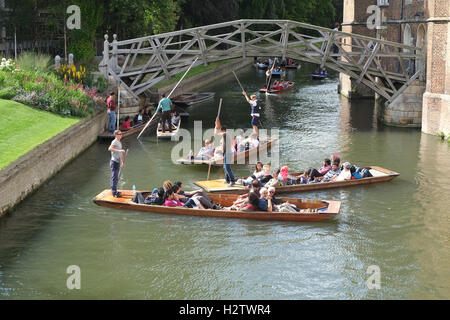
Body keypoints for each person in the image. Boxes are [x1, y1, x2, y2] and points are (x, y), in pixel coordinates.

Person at [215, 117, 235, 187]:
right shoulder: (224, 136)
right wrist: (217, 122)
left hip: (228, 153)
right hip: (225, 153)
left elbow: (217, 132)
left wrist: (217, 123)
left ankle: (232, 181)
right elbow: (217, 131)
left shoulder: (226, 134)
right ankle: (227, 180)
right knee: (225, 167)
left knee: (227, 167)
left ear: (223, 130)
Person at [108, 130, 125, 198]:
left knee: (116, 177)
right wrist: (119, 150)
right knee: (114, 178)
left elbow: (120, 154)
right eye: (119, 134)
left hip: (117, 162)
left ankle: (115, 190)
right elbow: (110, 148)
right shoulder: (114, 141)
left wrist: (123, 162)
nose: (121, 135)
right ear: (116, 135)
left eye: (121, 134)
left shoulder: (119, 142)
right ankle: (114, 193)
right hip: (114, 162)